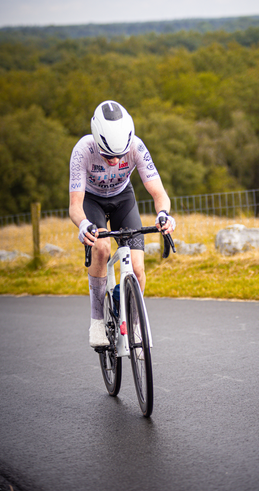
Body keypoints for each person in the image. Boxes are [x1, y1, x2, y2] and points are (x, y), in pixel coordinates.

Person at [69, 100, 176, 347]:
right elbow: (75, 206)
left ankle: (136, 326)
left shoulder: (136, 146)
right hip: (92, 201)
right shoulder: (83, 150)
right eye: (108, 156)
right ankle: (97, 320)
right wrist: (84, 224)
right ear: (97, 142)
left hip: (123, 198)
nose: (116, 161)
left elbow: (160, 194)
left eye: (120, 154)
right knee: (102, 249)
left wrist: (163, 215)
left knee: (137, 269)